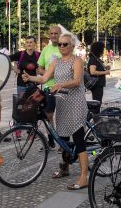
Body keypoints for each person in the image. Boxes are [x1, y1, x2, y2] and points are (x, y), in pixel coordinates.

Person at [23, 34, 89, 190]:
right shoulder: (56, 62)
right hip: (62, 104)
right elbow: (44, 78)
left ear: (72, 46)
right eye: (60, 44)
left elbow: (77, 81)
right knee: (63, 139)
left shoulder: (77, 60)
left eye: (65, 44)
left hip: (76, 103)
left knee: (79, 139)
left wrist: (60, 85)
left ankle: (83, 177)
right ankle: (64, 168)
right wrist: (30, 78)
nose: (61, 46)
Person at [37, 25, 62, 148]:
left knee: (63, 115)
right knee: (49, 114)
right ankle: (51, 138)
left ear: (60, 35)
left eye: (56, 34)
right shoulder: (46, 50)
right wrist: (48, 74)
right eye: (51, 34)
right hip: (48, 87)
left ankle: (63, 141)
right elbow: (39, 68)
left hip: (63, 88)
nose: (53, 36)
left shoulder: (66, 47)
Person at [88, 41, 111, 107]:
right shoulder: (93, 59)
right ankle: (96, 115)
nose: (104, 51)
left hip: (99, 84)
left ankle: (96, 114)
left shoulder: (96, 58)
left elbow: (97, 69)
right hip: (96, 84)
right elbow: (92, 71)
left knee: (98, 101)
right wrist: (105, 72)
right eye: (103, 49)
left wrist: (105, 68)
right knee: (97, 102)